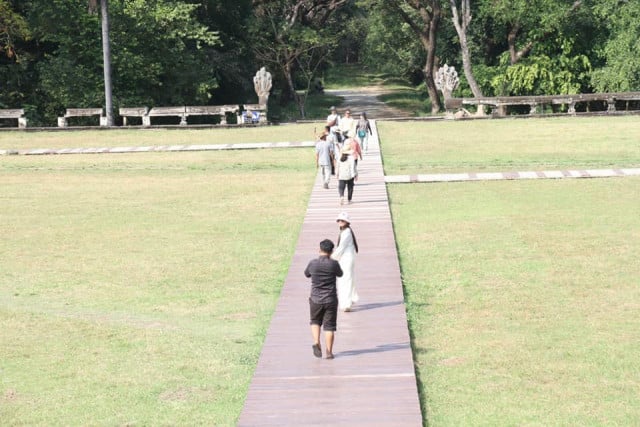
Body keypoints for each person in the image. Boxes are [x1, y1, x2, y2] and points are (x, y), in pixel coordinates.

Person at [304, 239, 343, 360]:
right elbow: (340, 274)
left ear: (319, 249)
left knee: (315, 321)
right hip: (330, 299)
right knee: (329, 327)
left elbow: (306, 274)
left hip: (315, 298)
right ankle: (329, 352)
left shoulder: (313, 263)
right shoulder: (333, 264)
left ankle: (316, 342)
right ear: (331, 251)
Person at [332, 212, 359, 312]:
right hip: (345, 258)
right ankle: (352, 298)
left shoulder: (346, 232)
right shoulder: (345, 231)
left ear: (347, 222)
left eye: (342, 220)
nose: (340, 222)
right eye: (339, 220)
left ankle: (346, 304)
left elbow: (341, 248)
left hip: (346, 259)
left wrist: (330, 257)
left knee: (345, 280)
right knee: (348, 279)